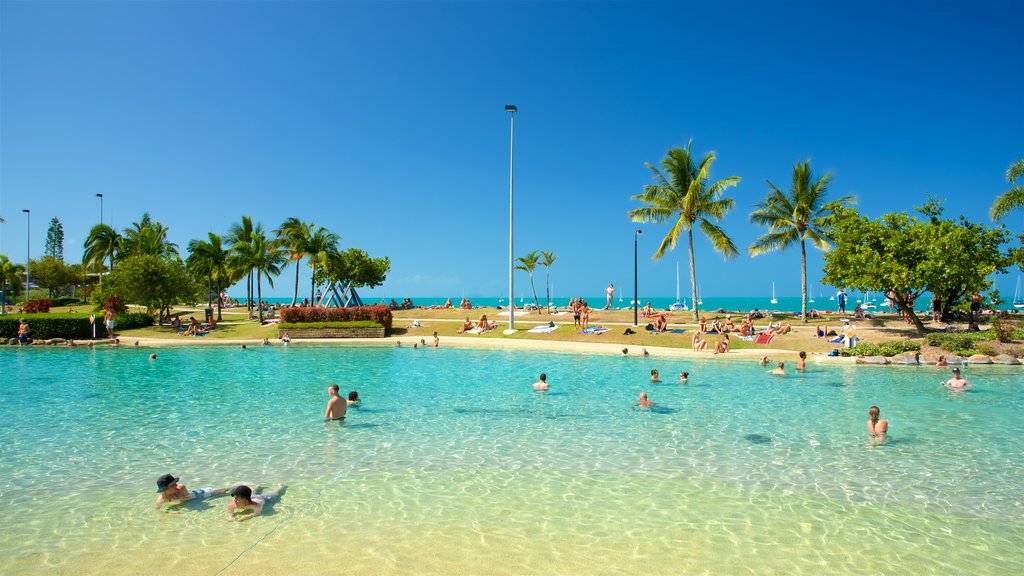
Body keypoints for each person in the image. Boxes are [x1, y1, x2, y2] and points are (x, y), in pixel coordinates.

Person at [156, 474, 229, 509]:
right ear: (165, 489)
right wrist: (169, 512)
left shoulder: (181, 487)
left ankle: (237, 487)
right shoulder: (161, 499)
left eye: (175, 483)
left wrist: (178, 500)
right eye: (172, 485)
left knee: (224, 491)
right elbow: (158, 508)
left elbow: (187, 499)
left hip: (199, 494)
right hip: (195, 501)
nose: (176, 485)